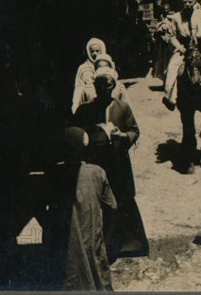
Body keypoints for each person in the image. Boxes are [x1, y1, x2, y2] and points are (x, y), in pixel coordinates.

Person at [72, 69, 149, 263]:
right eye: (100, 86)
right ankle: (103, 246)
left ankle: (128, 243)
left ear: (113, 86)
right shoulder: (86, 109)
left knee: (121, 199)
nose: (104, 90)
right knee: (101, 202)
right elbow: (77, 131)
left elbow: (134, 130)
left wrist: (123, 137)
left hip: (118, 162)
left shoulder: (122, 108)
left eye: (107, 86)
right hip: (97, 161)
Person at [41, 127, 116, 290]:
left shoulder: (54, 173)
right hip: (93, 240)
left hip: (64, 246)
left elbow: (42, 207)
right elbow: (112, 207)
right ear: (85, 148)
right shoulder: (97, 173)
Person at [72, 38, 106, 113]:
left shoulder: (108, 65)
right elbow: (78, 88)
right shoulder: (83, 68)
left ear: (102, 50)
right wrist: (75, 107)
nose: (95, 54)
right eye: (92, 51)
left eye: (97, 51)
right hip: (89, 102)